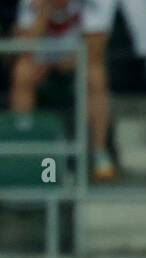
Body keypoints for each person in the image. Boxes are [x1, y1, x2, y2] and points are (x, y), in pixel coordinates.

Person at [10, 0, 118, 181]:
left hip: (80, 54)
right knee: (23, 71)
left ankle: (100, 153)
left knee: (96, 76)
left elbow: (96, 48)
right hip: (43, 53)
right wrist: (43, 14)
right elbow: (24, 47)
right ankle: (22, 147)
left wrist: (69, 60)